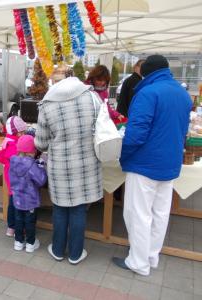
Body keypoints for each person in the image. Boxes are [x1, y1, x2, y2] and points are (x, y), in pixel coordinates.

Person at [112, 55, 192, 276]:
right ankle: (150, 256)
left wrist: (123, 156)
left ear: (145, 73)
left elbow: (136, 134)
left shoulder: (147, 93)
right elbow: (182, 131)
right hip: (170, 163)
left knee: (138, 214)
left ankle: (138, 262)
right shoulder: (183, 94)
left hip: (144, 163)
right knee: (160, 213)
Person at [35, 76, 103, 265]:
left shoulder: (47, 105)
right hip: (86, 163)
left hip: (60, 165)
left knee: (60, 207)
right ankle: (75, 254)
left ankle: (57, 250)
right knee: (79, 208)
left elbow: (40, 143)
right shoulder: (92, 98)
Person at [9, 135, 47, 252]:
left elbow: (11, 179)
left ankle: (18, 242)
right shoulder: (32, 165)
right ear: (33, 150)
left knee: (18, 220)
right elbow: (41, 181)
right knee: (30, 222)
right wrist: (41, 167)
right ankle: (31, 243)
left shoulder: (13, 162)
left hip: (17, 199)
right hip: (30, 200)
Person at [0, 116, 27, 236]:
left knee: (12, 201)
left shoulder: (8, 140)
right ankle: (18, 228)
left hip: (10, 177)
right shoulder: (14, 144)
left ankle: (11, 227)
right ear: (14, 132)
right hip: (17, 179)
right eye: (21, 132)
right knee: (17, 204)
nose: (23, 134)